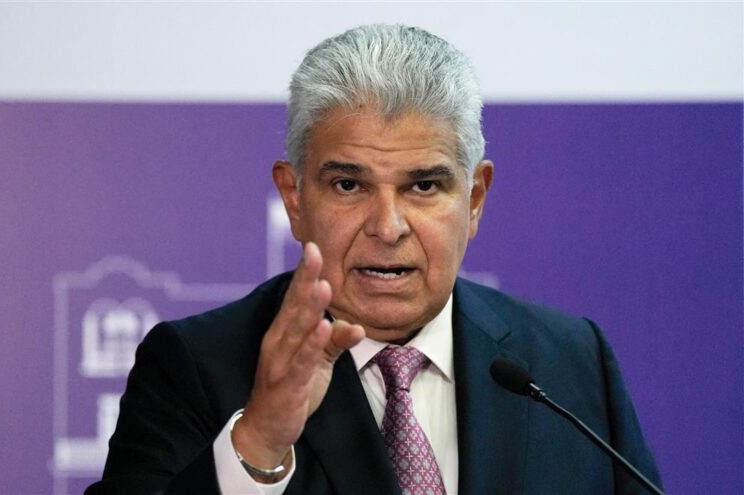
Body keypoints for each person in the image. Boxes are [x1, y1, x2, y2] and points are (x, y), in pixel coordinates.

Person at [86, 24, 662, 494]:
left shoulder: (568, 360)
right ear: (294, 198)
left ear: (474, 199)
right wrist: (258, 441)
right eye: (348, 186)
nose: (387, 228)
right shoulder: (195, 365)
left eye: (424, 186)